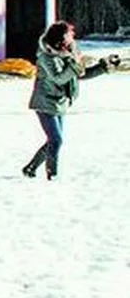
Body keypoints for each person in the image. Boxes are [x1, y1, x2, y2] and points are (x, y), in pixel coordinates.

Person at [22, 21, 121, 180]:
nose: (73, 35)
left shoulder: (70, 51)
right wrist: (75, 65)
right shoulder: (46, 57)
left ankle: (30, 168)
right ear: (61, 37)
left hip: (60, 102)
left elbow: (79, 75)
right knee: (56, 140)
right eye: (69, 33)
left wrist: (103, 66)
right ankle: (52, 175)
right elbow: (59, 78)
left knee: (54, 141)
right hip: (45, 102)